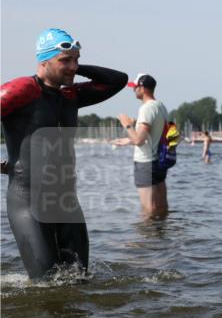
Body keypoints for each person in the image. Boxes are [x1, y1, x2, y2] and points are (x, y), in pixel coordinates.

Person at [0, 28, 128, 279]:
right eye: (65, 60)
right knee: (46, 283)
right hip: (28, 202)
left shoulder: (70, 95)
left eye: (76, 60)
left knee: (78, 279)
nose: (73, 66)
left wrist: (71, 69)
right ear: (43, 61)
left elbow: (118, 80)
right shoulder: (24, 89)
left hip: (66, 202)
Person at [113, 73, 169, 217]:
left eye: (135, 87)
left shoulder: (146, 109)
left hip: (145, 163)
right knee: (161, 206)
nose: (133, 90)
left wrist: (127, 125)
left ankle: (147, 232)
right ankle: (162, 231)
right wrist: (128, 141)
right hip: (159, 161)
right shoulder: (161, 106)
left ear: (142, 88)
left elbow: (139, 140)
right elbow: (151, 137)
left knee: (148, 209)